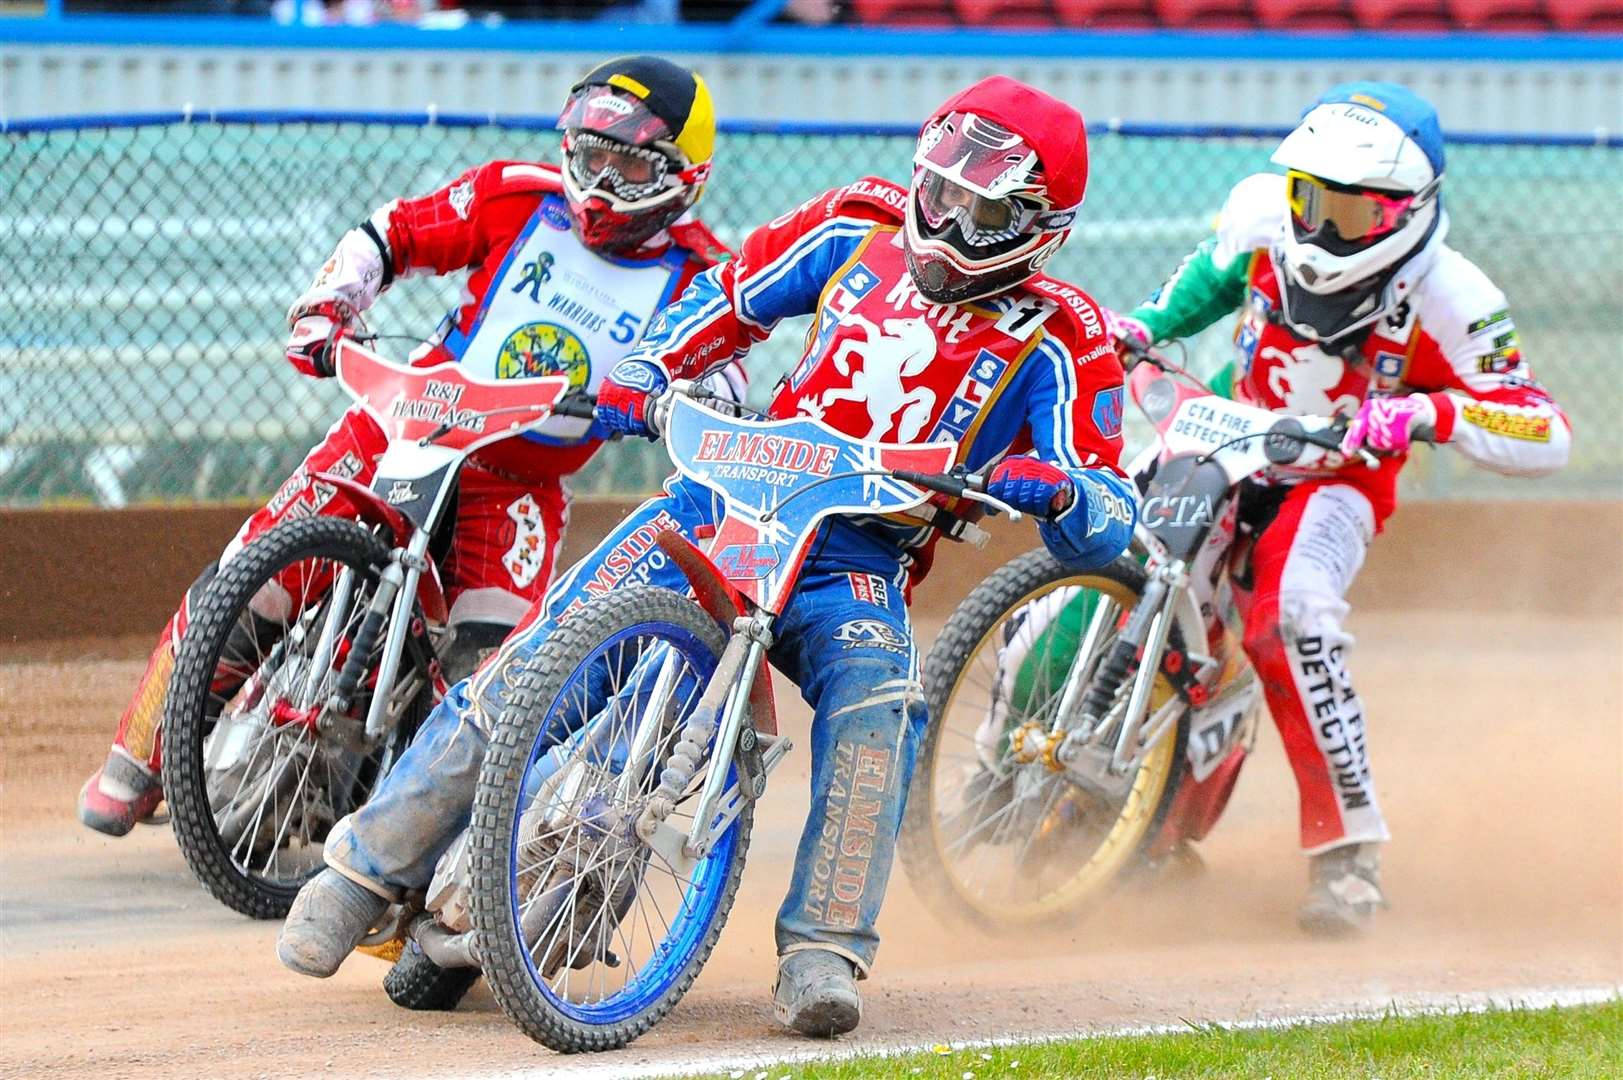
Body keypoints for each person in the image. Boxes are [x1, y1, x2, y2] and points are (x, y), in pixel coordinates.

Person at [274, 74, 1139, 1037]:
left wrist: (1058, 487)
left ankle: (821, 949)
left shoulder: (1063, 334)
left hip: (855, 553)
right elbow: (727, 302)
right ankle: (359, 872)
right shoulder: (855, 221)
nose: (943, 217)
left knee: (878, 708)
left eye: (978, 209)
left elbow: (1108, 508)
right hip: (723, 492)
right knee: (542, 648)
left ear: (1038, 224)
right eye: (938, 189)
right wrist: (651, 371)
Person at [76, 55, 743, 837]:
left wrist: (675, 405)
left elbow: (721, 382)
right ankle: (141, 755)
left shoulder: (704, 273)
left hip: (518, 485)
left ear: (679, 173)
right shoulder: (514, 193)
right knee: (256, 573)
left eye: (622, 162)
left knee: (493, 671)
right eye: (588, 153)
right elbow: (387, 235)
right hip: (406, 419)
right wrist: (330, 302)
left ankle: (413, 836)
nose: (596, 177)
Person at [1107, 82, 1570, 935]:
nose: (1319, 228)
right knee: (1114, 563)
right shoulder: (1256, 211)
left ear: (1405, 211)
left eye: (1349, 213)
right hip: (1222, 425)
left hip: (1339, 475)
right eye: (1306, 198)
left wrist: (1433, 413)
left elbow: (1545, 430)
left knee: (1290, 620)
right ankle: (1021, 771)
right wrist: (1141, 326)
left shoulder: (1455, 296)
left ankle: (1346, 854)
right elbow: (1204, 284)